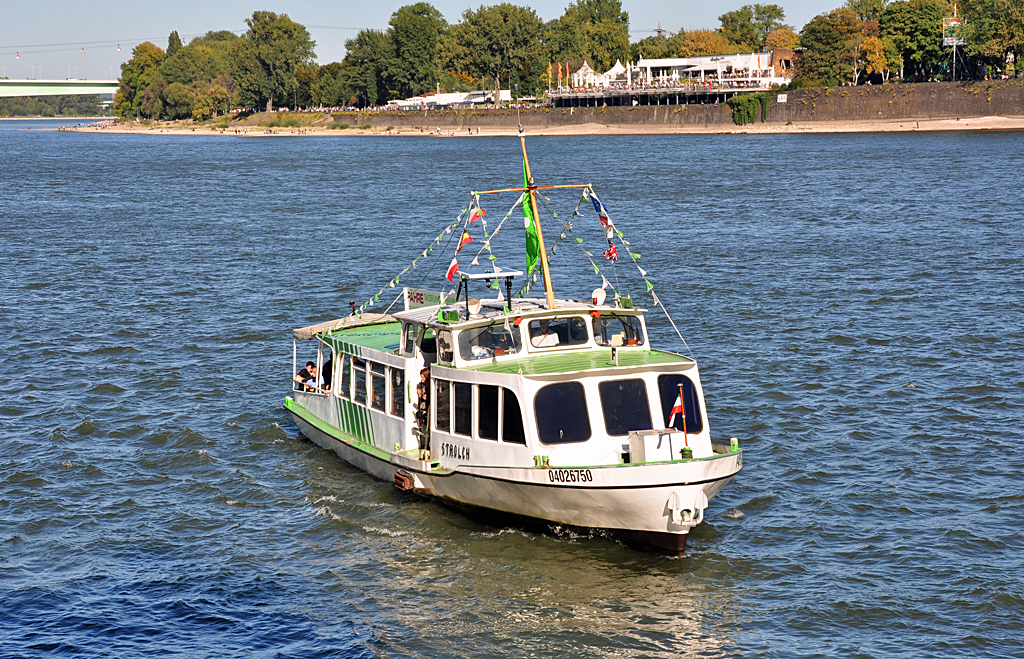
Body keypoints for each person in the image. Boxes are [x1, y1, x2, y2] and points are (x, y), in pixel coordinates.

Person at [415, 367, 431, 457]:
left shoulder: (429, 386)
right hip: (422, 409)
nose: (422, 379)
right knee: (422, 429)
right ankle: (422, 446)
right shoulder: (421, 385)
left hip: (426, 410)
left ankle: (426, 447)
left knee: (426, 430)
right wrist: (419, 393)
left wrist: (427, 398)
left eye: (423, 377)